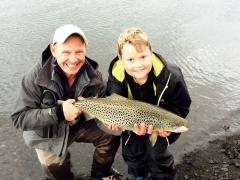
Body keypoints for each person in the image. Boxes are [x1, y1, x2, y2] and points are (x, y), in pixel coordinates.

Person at [11, 24, 122, 180]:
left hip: (79, 125)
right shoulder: (35, 77)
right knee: (59, 175)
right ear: (53, 50)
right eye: (66, 52)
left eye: (79, 52)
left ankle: (100, 175)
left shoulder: (94, 76)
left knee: (112, 134)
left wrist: (112, 121)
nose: (73, 59)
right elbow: (19, 119)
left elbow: (105, 105)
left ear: (86, 49)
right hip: (47, 134)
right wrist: (58, 112)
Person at [107, 27, 191, 180]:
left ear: (151, 52)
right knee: (133, 151)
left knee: (157, 154)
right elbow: (113, 102)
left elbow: (182, 104)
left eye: (143, 57)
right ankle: (138, 175)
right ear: (120, 58)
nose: (138, 65)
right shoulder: (116, 76)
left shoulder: (171, 76)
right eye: (130, 60)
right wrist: (113, 122)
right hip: (131, 121)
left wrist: (170, 129)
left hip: (160, 123)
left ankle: (163, 177)